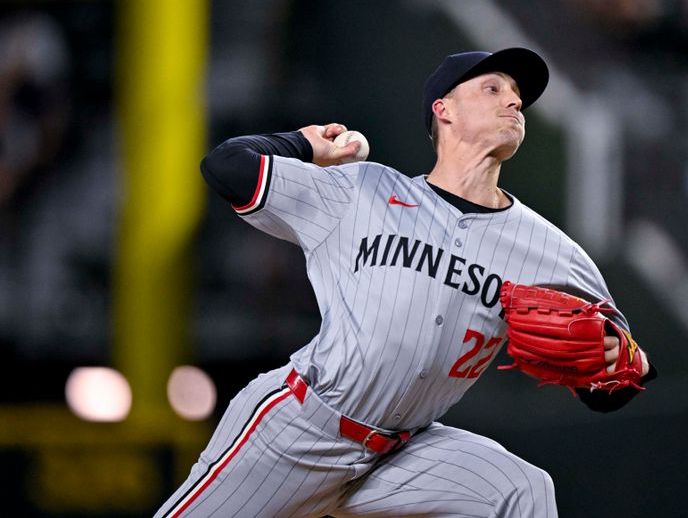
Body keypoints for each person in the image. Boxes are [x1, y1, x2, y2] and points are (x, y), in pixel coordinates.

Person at [156, 47, 654, 518]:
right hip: (301, 428)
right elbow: (226, 167)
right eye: (493, 88)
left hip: (404, 452)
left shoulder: (551, 250)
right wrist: (304, 145)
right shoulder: (362, 191)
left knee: (522, 490)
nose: (514, 100)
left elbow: (613, 372)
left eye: (517, 95)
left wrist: (622, 363)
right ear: (445, 110)